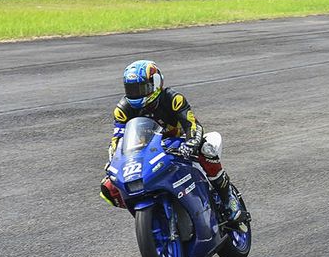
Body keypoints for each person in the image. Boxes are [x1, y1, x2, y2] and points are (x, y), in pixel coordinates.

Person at [100, 60, 245, 223]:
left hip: (179, 142)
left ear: (155, 84)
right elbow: (117, 140)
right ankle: (153, 214)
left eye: (141, 88)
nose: (136, 94)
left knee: (207, 150)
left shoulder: (173, 99)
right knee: (109, 187)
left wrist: (191, 143)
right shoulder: (123, 109)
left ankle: (228, 199)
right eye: (131, 89)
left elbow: (193, 125)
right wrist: (114, 160)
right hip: (146, 150)